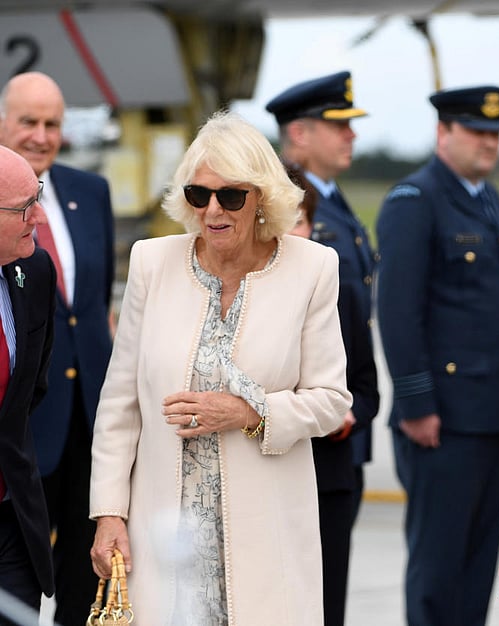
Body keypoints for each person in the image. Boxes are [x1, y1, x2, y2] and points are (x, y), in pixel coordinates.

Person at [88, 111, 352, 625]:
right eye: (198, 194)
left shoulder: (313, 268)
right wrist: (109, 513)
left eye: (231, 195)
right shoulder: (151, 263)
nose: (213, 209)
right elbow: (119, 404)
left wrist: (248, 412)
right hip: (165, 534)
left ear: (261, 199)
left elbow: (332, 401)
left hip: (266, 533)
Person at [376, 84, 499, 626]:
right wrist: (416, 405)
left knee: (477, 562)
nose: (489, 143)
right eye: (477, 132)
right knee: (438, 568)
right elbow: (397, 310)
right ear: (443, 133)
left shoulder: (485, 197)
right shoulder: (414, 200)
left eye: (495, 134)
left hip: (487, 412)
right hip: (439, 419)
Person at [0, 71, 115, 626]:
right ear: (3, 122)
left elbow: (93, 308)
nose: (42, 135)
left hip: (87, 420)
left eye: (53, 124)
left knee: (79, 575)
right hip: (23, 427)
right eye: (29, 121)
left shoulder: (91, 193)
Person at [266, 70, 380, 626]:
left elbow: (360, 356)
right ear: (300, 133)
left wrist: (349, 415)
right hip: (279, 458)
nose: (350, 136)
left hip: (337, 454)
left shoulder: (336, 212)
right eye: (338, 126)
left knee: (327, 591)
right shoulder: (285, 205)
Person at [288, 169, 380, 626]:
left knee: (327, 607)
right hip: (270, 475)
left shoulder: (340, 291)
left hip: (329, 476)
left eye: (302, 222)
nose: (294, 233)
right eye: (284, 222)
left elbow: (367, 390)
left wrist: (347, 416)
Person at [0, 145, 55, 624]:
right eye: (24, 208)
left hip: (11, 522)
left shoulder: (34, 273)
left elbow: (30, 390)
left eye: (35, 197)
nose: (39, 214)